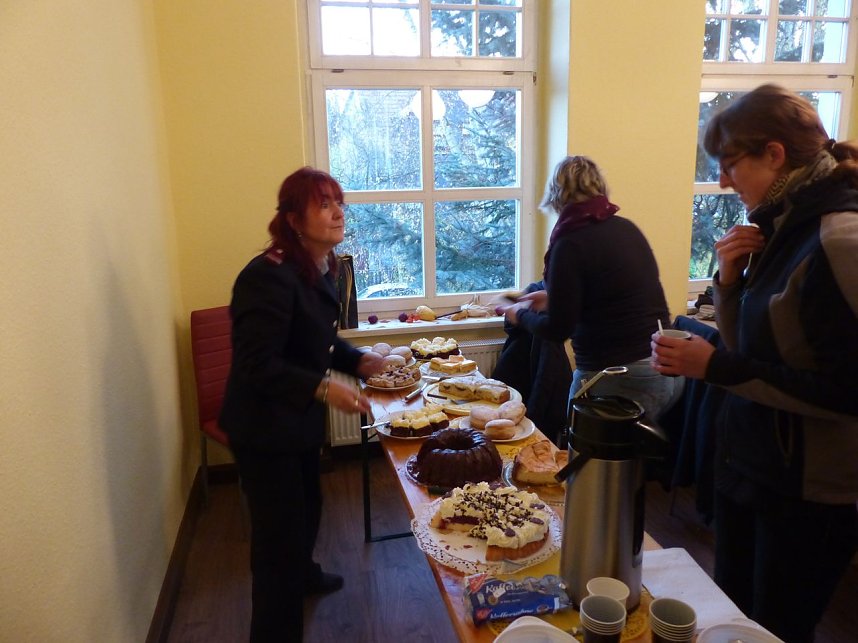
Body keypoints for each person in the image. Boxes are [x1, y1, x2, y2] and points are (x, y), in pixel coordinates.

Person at [651, 84, 858, 642]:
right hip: (755, 464)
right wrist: (728, 283)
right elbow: (752, 351)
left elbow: (846, 392)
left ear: (774, 153)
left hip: (809, 489)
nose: (722, 182)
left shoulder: (840, 237)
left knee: (778, 627)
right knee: (735, 616)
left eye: (729, 165)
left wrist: (714, 368)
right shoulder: (782, 224)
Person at [219, 167, 384, 642]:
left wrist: (361, 360)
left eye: (339, 202)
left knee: (309, 507)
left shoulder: (318, 267)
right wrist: (320, 387)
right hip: (265, 430)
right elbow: (257, 364)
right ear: (293, 219)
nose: (338, 213)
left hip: (296, 424)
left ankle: (306, 575)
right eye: (324, 204)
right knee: (276, 547)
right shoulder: (266, 277)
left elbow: (318, 342)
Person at [499, 155, 680, 431]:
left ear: (557, 196)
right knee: (631, 467)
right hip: (664, 373)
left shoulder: (570, 242)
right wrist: (550, 299)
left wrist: (519, 314)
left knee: (588, 470)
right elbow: (609, 295)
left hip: (616, 377)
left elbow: (557, 330)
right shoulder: (626, 228)